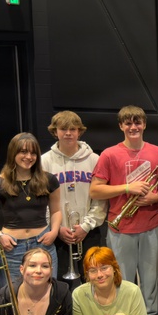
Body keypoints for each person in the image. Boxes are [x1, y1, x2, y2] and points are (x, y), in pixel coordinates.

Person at [89, 106, 158, 315]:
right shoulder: (109, 155)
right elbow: (95, 189)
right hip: (121, 225)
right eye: (128, 123)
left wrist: (156, 197)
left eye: (138, 123)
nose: (133, 127)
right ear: (121, 126)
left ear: (144, 125)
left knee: (151, 276)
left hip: (152, 223)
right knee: (121, 278)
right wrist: (127, 188)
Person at [0, 132, 62, 275]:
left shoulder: (49, 180)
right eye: (23, 152)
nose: (29, 157)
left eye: (33, 153)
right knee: (14, 294)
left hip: (43, 244)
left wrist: (54, 232)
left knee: (48, 292)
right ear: (13, 153)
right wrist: (0, 236)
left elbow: (56, 211)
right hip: (11, 247)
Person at [40, 110, 107, 279]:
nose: (68, 133)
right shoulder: (44, 161)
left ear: (80, 131)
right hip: (58, 232)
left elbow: (100, 199)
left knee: (92, 280)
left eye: (73, 129)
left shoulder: (94, 159)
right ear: (55, 132)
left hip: (89, 230)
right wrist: (56, 227)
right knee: (61, 283)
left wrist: (85, 226)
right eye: (63, 129)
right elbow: (41, 200)